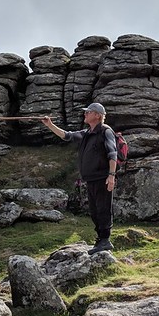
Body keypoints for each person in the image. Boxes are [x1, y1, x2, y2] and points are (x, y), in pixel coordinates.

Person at [41, 102, 117, 255]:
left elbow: (112, 154)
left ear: (97, 115)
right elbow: (67, 135)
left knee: (103, 209)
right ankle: (100, 239)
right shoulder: (87, 132)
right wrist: (50, 125)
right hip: (91, 179)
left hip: (103, 178)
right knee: (94, 210)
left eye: (88, 112)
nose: (85, 114)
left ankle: (105, 240)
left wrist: (111, 176)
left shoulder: (105, 131)